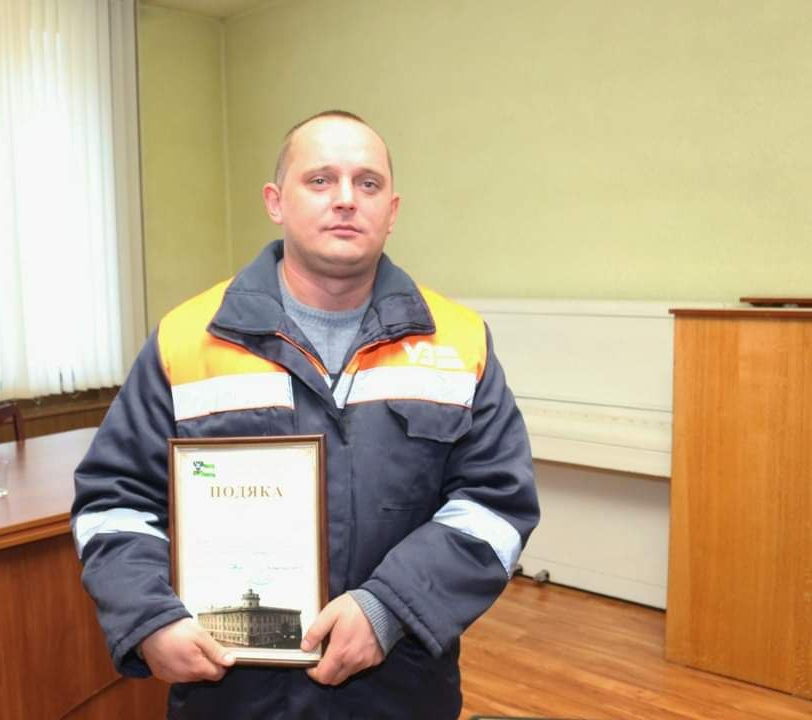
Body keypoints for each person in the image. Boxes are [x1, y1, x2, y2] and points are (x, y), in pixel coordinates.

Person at [71, 110, 539, 719]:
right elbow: (114, 503)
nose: (346, 199)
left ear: (392, 210)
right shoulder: (186, 341)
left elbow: (495, 505)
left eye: (367, 183)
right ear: (276, 201)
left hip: (400, 688)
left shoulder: (458, 341)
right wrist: (148, 616)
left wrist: (388, 609)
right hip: (233, 695)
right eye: (320, 180)